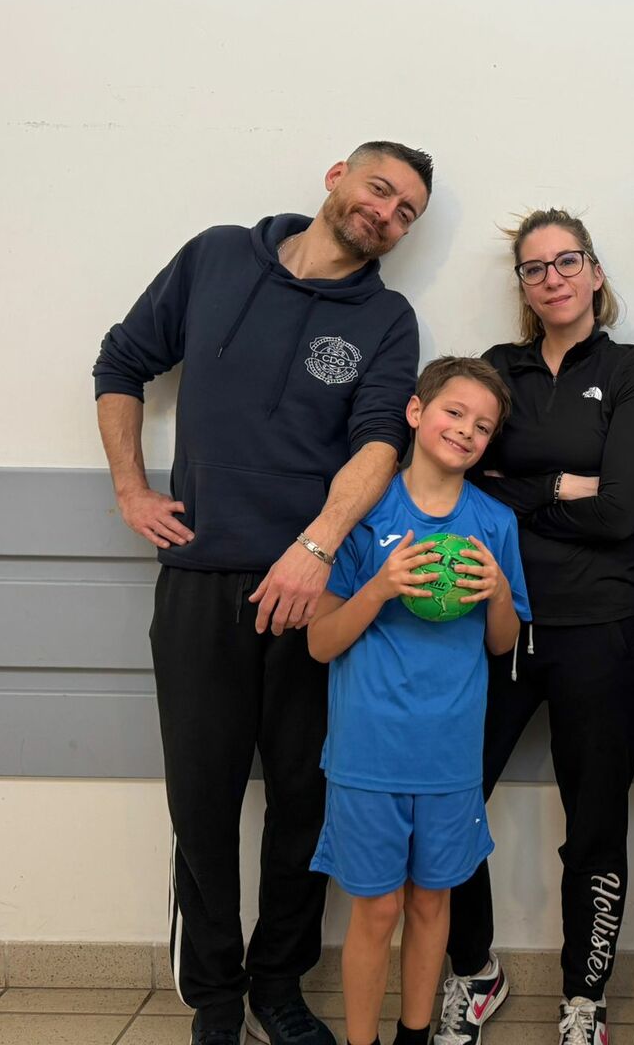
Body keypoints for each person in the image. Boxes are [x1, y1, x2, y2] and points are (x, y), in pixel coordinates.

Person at [92, 140, 434, 1045]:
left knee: (305, 799)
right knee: (201, 800)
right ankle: (213, 996)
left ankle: (278, 986)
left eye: (407, 212)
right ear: (336, 178)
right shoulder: (215, 257)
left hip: (315, 593)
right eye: (380, 189)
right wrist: (130, 488)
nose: (387, 213)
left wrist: (315, 549)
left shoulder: (387, 319)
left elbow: (379, 443)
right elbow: (121, 363)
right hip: (199, 583)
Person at [439, 210, 634, 1045]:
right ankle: (475, 972)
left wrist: (522, 489)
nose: (553, 278)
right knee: (449, 802)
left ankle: (584, 1001)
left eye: (567, 261)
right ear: (524, 288)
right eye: (534, 268)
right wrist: (565, 484)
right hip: (495, 622)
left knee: (594, 826)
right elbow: (466, 478)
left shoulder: (633, 371)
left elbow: (621, 513)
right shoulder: (499, 370)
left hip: (606, 628)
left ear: (595, 272)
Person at [307, 355, 531, 1045]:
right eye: (453, 412)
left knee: (432, 905)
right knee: (377, 911)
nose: (466, 430)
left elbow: (503, 643)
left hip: (450, 756)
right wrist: (380, 587)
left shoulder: (494, 523)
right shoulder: (363, 515)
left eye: (482, 426)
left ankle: (414, 1034)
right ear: (415, 412)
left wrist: (498, 591)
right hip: (367, 753)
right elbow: (319, 642)